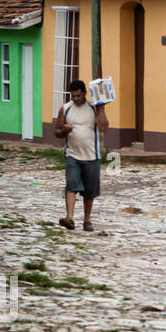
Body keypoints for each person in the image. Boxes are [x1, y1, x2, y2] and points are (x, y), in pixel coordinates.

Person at [53, 79, 109, 231]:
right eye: (73, 96)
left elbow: (103, 127)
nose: (75, 99)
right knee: (71, 185)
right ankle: (70, 218)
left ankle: (87, 220)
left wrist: (102, 109)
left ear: (84, 93)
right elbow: (57, 132)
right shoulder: (65, 109)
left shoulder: (93, 107)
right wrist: (65, 130)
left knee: (89, 192)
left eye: (78, 96)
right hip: (72, 155)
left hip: (92, 155)